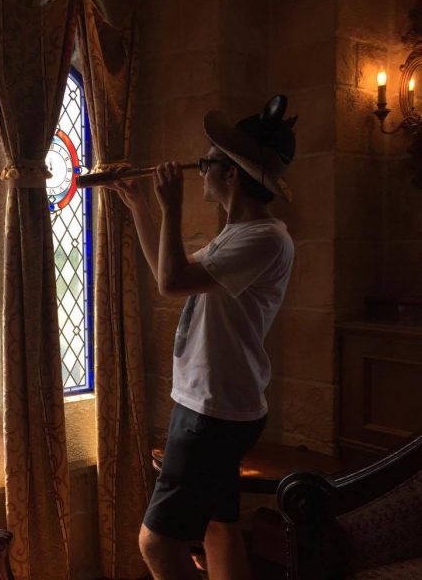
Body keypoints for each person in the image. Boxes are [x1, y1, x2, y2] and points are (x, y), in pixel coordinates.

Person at [108, 95, 297, 580]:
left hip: (212, 410)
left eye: (208, 164)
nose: (201, 172)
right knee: (219, 526)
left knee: (155, 543)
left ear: (232, 175)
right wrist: (141, 208)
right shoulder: (237, 233)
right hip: (217, 402)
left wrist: (171, 205)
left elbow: (172, 281)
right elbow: (168, 274)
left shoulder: (265, 237)